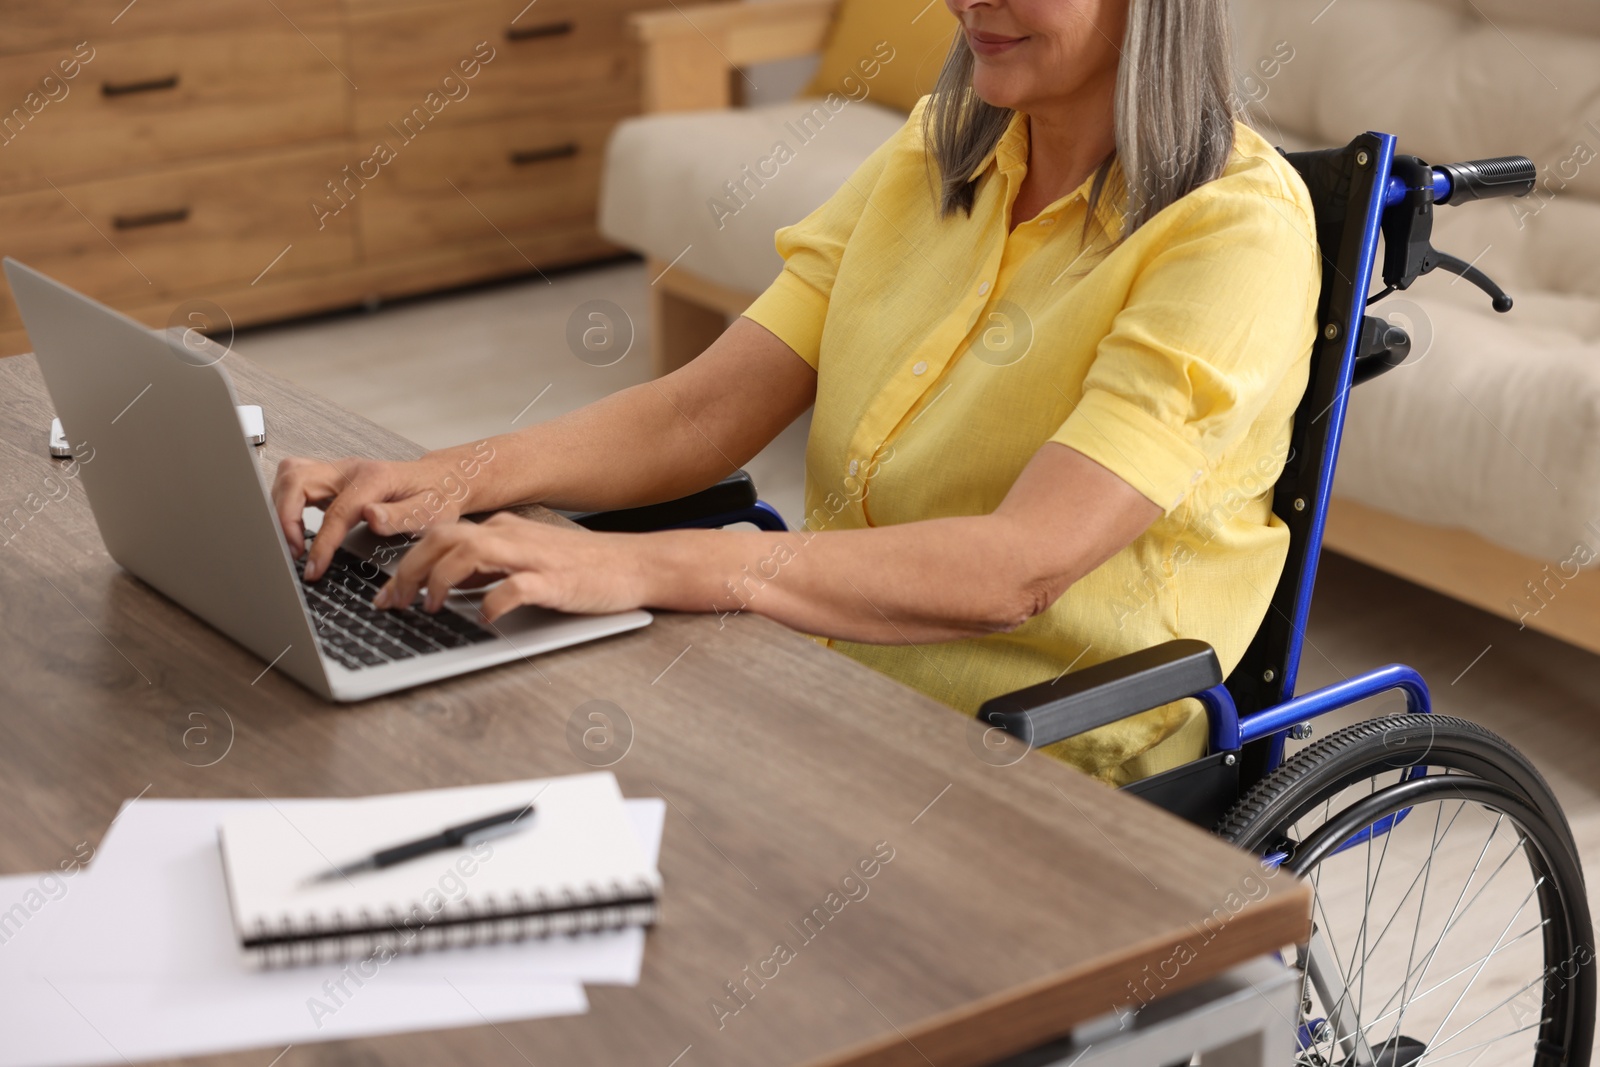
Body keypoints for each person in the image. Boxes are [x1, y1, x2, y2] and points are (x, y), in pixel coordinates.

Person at [272, 0, 1319, 785]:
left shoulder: (1232, 232)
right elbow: (701, 410)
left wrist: (642, 562)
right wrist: (443, 479)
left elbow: (1019, 568)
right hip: (829, 672)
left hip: (1049, 751)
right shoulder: (939, 145)